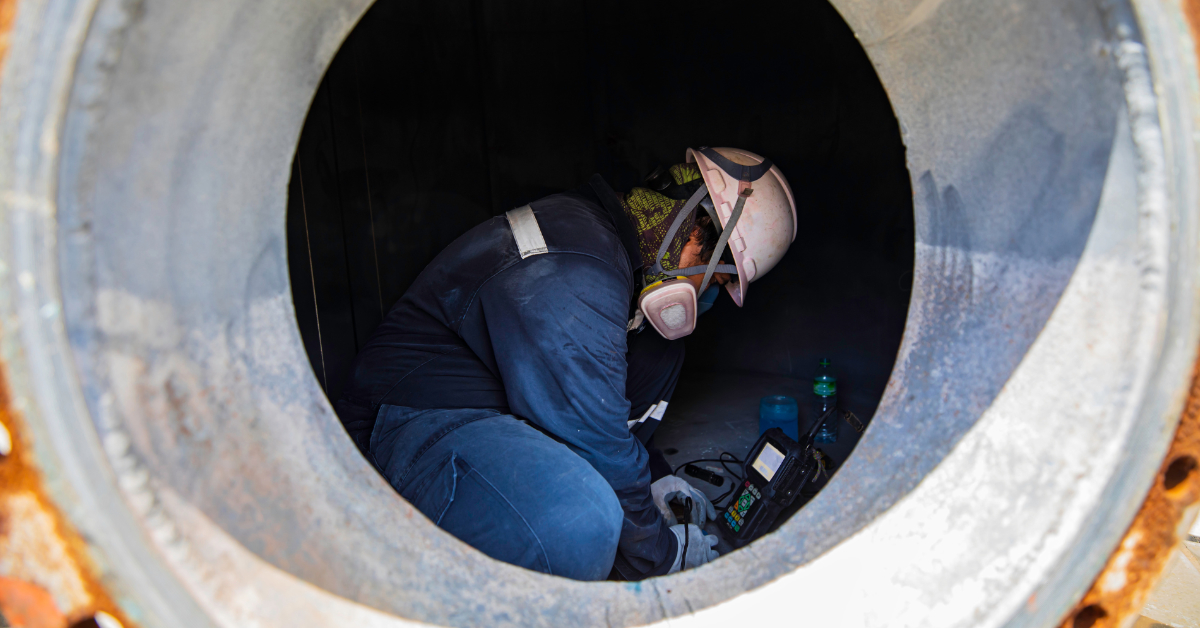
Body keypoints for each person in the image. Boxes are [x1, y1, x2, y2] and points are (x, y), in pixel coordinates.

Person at [334, 147, 797, 580]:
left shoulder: (604, 244)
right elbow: (599, 442)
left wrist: (656, 478)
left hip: (491, 410)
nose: (702, 294)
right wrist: (662, 556)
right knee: (580, 518)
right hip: (408, 421)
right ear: (690, 227)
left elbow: (606, 412)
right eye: (709, 274)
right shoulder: (576, 272)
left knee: (661, 352)